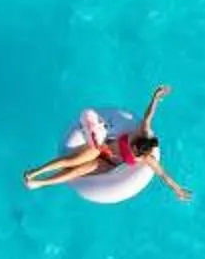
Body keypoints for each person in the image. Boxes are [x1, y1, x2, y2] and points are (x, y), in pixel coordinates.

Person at [24, 84, 191, 201]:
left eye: (136, 153)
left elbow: (162, 174)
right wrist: (155, 98)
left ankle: (38, 183)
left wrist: (177, 189)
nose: (133, 151)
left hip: (107, 164)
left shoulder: (148, 159)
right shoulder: (141, 131)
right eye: (134, 147)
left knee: (74, 172)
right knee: (70, 160)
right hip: (101, 148)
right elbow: (148, 116)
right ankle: (34, 172)